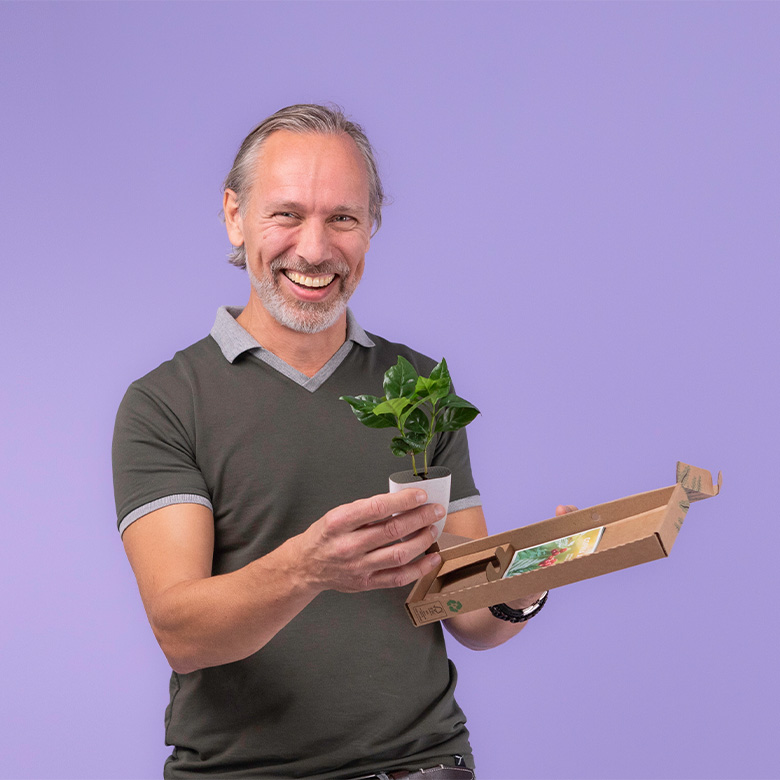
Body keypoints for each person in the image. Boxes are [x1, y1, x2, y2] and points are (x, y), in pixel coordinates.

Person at [113, 104, 569, 780]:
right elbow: (182, 634)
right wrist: (308, 569)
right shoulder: (166, 403)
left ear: (370, 228)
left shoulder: (418, 388)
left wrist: (530, 580)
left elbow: (469, 617)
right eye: (287, 214)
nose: (314, 249)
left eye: (343, 218)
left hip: (423, 765)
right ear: (235, 215)